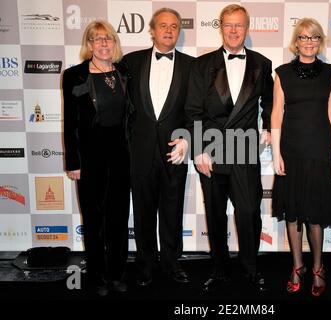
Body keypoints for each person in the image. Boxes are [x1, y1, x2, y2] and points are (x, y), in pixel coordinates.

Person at [185, 4, 273, 293]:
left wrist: (269, 127)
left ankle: (250, 268)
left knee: (248, 212)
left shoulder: (262, 63)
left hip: (245, 150)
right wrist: (198, 150)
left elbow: (269, 103)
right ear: (220, 27)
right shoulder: (202, 64)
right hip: (210, 150)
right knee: (215, 213)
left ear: (247, 28)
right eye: (228, 25)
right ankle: (220, 268)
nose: (234, 30)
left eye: (240, 25)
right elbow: (194, 110)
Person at [271, 18, 331, 297]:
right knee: (293, 216)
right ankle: (296, 266)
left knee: (314, 215)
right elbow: (276, 114)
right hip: (291, 151)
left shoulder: (330, 72)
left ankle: (317, 267)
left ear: (320, 41)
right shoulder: (281, 73)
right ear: (296, 41)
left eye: (314, 38)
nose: (308, 42)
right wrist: (276, 152)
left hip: (318, 152)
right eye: (303, 37)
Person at [122, 8, 194, 287]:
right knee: (142, 211)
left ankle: (172, 262)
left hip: (174, 152)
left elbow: (195, 110)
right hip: (139, 153)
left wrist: (187, 139)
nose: (168, 30)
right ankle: (145, 263)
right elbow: (123, 111)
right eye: (163, 25)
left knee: (173, 210)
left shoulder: (192, 66)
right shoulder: (130, 62)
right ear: (152, 30)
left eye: (174, 26)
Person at [63, 20, 131, 296]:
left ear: (115, 43)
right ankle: (98, 276)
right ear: (88, 44)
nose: (103, 43)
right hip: (90, 157)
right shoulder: (74, 75)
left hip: (121, 156)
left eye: (108, 39)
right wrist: (73, 162)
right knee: (93, 218)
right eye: (97, 39)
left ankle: (116, 273)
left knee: (117, 217)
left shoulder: (125, 72)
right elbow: (70, 122)